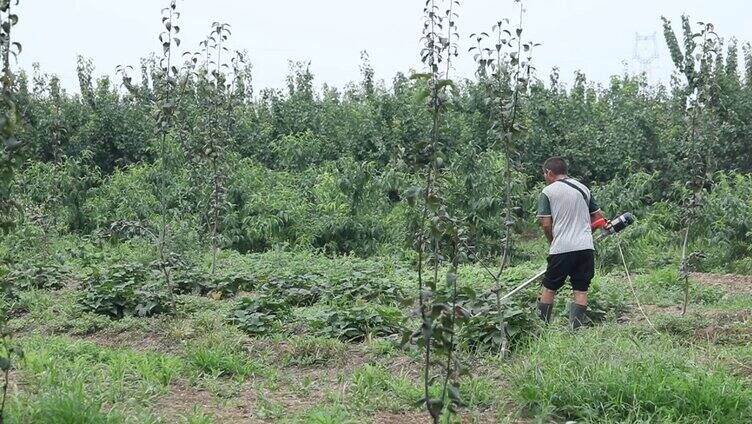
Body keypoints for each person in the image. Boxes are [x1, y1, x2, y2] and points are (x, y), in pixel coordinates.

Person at [535, 157, 604, 329]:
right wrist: (586, 233)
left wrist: (553, 241)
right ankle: (575, 330)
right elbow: (599, 216)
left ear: (549, 173)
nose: (545, 177)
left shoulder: (548, 192)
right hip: (586, 247)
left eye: (545, 174)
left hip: (562, 248)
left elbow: (545, 223)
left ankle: (542, 328)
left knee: (549, 287)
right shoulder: (583, 188)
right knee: (581, 289)